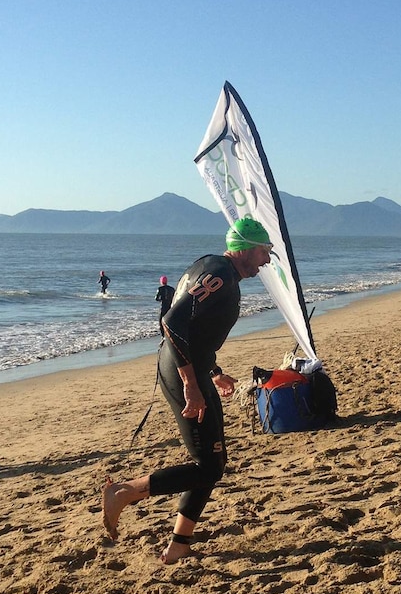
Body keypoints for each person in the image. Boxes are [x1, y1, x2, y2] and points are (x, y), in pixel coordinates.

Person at [102, 218, 274, 564]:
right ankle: (125, 492)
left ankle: (179, 544)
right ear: (243, 248)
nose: (266, 261)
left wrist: (214, 372)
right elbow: (173, 322)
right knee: (208, 465)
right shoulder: (219, 273)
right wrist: (191, 384)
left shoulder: (218, 270)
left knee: (213, 462)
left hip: (192, 368)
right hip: (182, 372)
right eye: (263, 252)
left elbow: (196, 332)